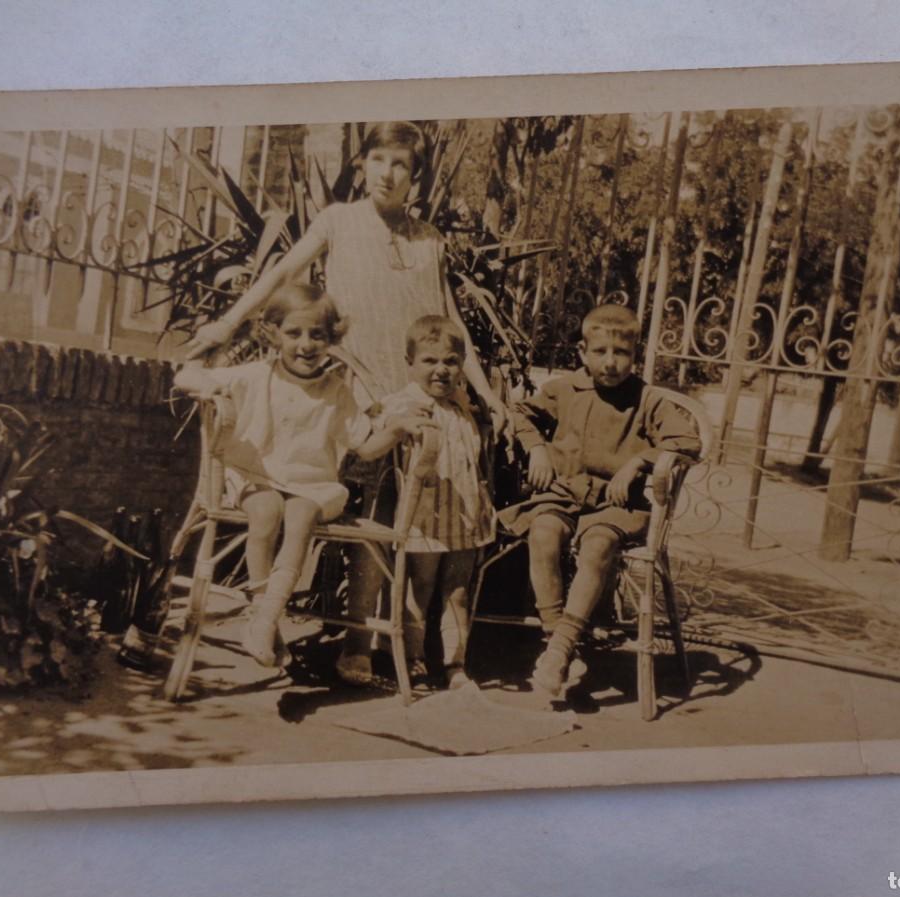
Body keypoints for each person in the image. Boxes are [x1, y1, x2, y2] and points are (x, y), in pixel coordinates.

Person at [188, 121, 507, 684]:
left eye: (401, 164)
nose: (388, 173)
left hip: (410, 397)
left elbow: (449, 318)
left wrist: (480, 392)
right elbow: (284, 271)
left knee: (390, 520)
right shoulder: (338, 220)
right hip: (349, 392)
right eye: (379, 159)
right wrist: (227, 323)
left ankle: (367, 645)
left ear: (416, 176)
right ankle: (299, 627)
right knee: (334, 504)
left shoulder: (429, 239)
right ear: (362, 165)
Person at [173, 284, 425, 669]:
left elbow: (365, 446)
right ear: (273, 334)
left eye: (317, 335)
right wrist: (204, 372)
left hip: (311, 486)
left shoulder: (335, 391)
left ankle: (266, 616)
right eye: (294, 333)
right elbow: (187, 379)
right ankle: (264, 615)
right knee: (266, 511)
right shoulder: (254, 376)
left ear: (331, 339)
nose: (306, 345)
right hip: (256, 475)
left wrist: (396, 429)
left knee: (301, 513)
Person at [501, 304, 701, 698]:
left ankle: (560, 648)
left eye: (621, 352)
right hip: (564, 493)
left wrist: (638, 463)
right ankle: (557, 642)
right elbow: (520, 414)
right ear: (582, 352)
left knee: (597, 546)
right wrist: (537, 449)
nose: (610, 362)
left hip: (615, 505)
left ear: (634, 354)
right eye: (600, 352)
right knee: (543, 532)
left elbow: (687, 441)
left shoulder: (646, 399)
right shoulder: (565, 389)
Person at [381, 316, 495, 688]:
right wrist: (397, 421)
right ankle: (412, 658)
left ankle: (454, 664)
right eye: (430, 361)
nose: (441, 370)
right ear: (410, 363)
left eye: (451, 361)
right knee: (420, 586)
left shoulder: (461, 406)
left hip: (465, 514)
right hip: (424, 516)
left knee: (458, 589)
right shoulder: (406, 403)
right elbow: (380, 422)